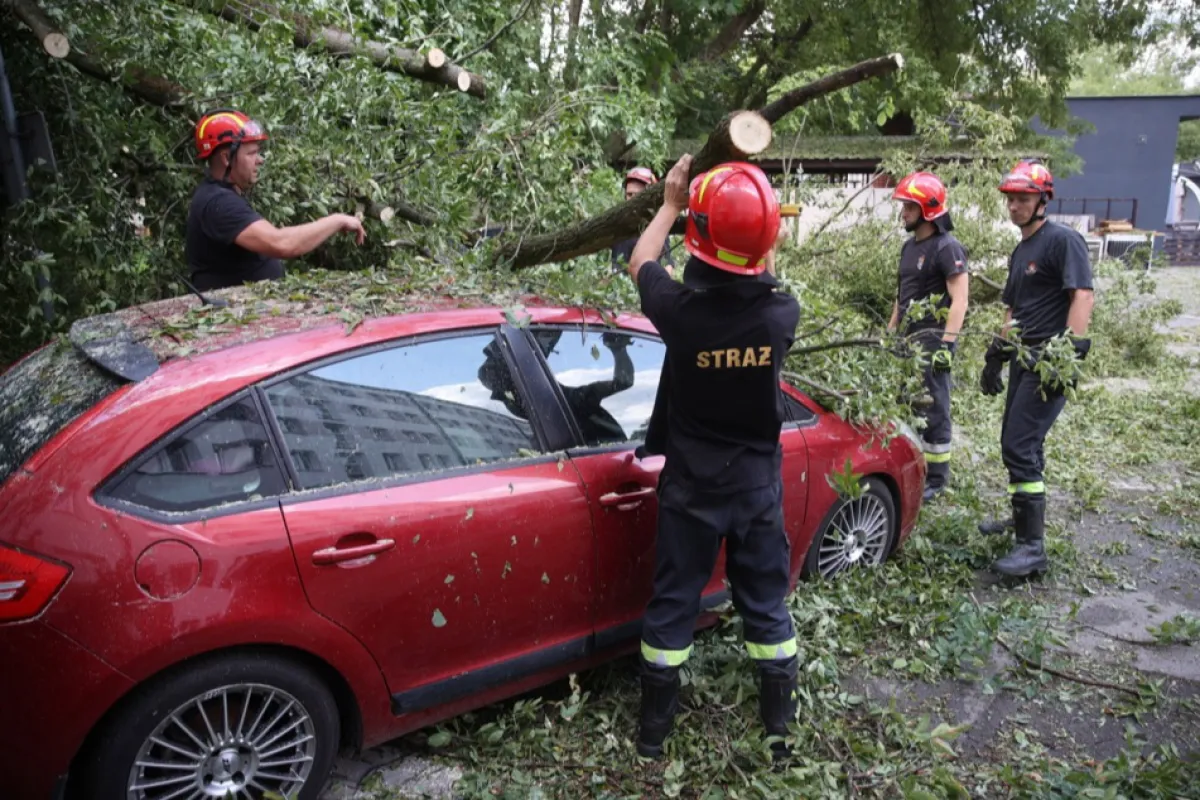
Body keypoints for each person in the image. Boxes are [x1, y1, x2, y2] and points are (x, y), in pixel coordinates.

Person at [626, 156, 801, 760]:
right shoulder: (783, 316)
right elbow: (764, 276)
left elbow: (640, 261)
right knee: (765, 607)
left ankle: (653, 736)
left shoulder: (681, 314)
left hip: (692, 488)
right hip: (756, 488)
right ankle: (779, 734)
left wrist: (670, 203)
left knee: (674, 603)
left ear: (698, 240)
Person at [978, 158, 1094, 577]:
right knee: (1021, 442)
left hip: (1050, 361)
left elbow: (1082, 295)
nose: (1015, 207)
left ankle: (1032, 548)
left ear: (1043, 199)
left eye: (1023, 199)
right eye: (1011, 199)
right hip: (1024, 359)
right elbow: (1013, 308)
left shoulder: (1063, 241)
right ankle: (1023, 521)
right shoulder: (1022, 249)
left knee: (1019, 445)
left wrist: (1071, 352)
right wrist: (997, 352)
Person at [186, 109, 366, 291]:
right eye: (251, 153)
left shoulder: (220, 195)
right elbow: (281, 244)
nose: (260, 160)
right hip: (235, 314)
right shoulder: (219, 203)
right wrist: (336, 220)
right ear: (226, 158)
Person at [886, 171, 969, 501]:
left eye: (909, 207)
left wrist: (947, 344)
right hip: (906, 339)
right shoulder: (909, 248)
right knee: (907, 403)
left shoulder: (947, 248)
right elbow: (901, 296)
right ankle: (914, 464)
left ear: (927, 209)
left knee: (934, 407)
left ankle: (937, 476)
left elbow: (960, 299)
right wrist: (890, 332)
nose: (903, 213)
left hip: (933, 340)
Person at [611, 167, 676, 277]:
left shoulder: (658, 223)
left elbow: (668, 263)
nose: (632, 200)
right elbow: (617, 271)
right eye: (629, 194)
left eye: (637, 195)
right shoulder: (621, 226)